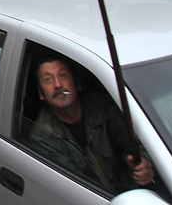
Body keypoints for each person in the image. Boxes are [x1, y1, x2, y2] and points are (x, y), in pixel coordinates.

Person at [29, 54, 154, 195]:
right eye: (48, 79)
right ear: (41, 94)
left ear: (77, 85)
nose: (58, 84)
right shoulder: (43, 136)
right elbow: (72, 188)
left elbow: (137, 142)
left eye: (63, 75)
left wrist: (144, 163)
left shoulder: (104, 107)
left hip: (133, 195)